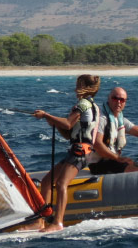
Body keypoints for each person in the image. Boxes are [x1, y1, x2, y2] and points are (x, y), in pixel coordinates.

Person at [32, 74, 101, 233]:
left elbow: (68, 123)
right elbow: (69, 133)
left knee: (62, 184)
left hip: (80, 153)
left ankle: (58, 222)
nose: (75, 89)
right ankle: (40, 222)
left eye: (78, 85)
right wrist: (53, 122)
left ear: (84, 86)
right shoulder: (93, 106)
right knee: (47, 182)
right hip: (76, 150)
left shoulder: (83, 104)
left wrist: (46, 115)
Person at [87, 87, 138, 174]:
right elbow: (97, 144)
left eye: (122, 100)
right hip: (99, 164)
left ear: (125, 102)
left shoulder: (119, 119)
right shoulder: (102, 119)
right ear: (108, 99)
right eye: (115, 98)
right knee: (137, 171)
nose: (118, 102)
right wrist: (117, 158)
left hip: (112, 161)